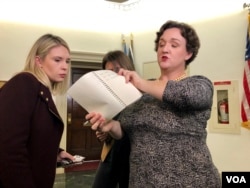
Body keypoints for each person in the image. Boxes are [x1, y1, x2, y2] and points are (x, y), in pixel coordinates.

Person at [86, 20, 221, 187]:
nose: (165, 48)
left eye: (174, 45)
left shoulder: (199, 84)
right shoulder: (141, 96)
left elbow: (187, 95)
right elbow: (127, 130)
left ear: (188, 53)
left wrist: (141, 83)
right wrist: (111, 126)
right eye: (162, 44)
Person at [0, 34, 75, 188]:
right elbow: (8, 149)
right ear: (38, 61)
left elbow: (32, 136)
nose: (65, 67)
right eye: (57, 60)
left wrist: (56, 152)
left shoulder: (40, 90)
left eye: (67, 61)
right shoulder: (24, 83)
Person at [92, 50, 135, 188]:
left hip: (131, 156)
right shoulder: (106, 96)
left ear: (127, 67)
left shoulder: (140, 94)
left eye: (116, 70)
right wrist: (102, 134)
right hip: (110, 154)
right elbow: (104, 128)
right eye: (108, 72)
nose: (113, 75)